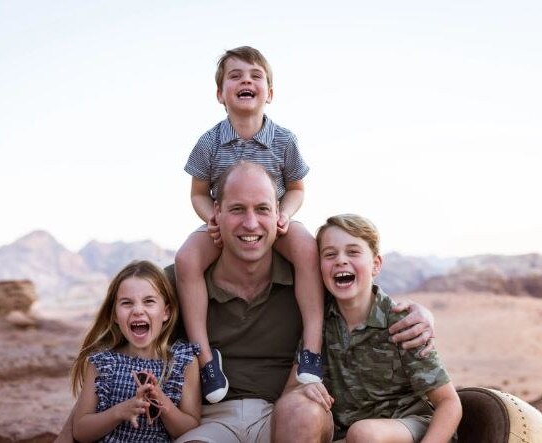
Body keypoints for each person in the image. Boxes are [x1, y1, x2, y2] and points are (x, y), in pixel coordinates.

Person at [57, 161, 436, 443]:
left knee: (303, 410)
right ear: (215, 215)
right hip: (210, 421)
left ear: (279, 217)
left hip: (285, 414)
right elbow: (116, 351)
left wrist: (422, 313)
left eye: (262, 210)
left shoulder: (307, 279)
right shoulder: (180, 285)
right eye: (237, 209)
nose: (250, 224)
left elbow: (360, 295)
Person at [175, 45, 325, 404]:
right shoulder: (209, 142)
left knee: (306, 247)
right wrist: (209, 214)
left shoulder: (284, 140)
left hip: (272, 221)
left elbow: (297, 188)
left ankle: (312, 348)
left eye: (255, 76)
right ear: (220, 93)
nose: (246, 81)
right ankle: (206, 359)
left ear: (269, 93)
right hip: (226, 223)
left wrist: (284, 213)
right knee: (186, 260)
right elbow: (197, 192)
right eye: (236, 76)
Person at [314, 214, 462, 442]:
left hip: (410, 428)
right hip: (350, 436)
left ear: (375, 264)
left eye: (353, 252)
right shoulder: (319, 321)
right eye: (330, 254)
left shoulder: (403, 324)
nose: (341, 260)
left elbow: (449, 403)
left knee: (365, 433)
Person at [69, 260, 201, 442]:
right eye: (127, 303)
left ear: (166, 312)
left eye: (149, 301)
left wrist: (161, 401)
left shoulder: (183, 362)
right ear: (115, 315)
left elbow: (188, 429)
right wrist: (119, 411)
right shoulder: (103, 362)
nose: (138, 310)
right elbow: (81, 432)